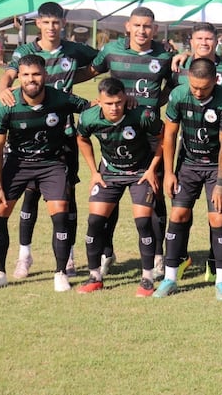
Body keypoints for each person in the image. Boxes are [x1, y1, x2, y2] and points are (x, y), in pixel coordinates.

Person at [0, 1, 99, 280]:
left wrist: (78, 77)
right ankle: (24, 255)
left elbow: (101, 63)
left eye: (56, 22)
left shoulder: (73, 50)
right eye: (46, 22)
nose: (52, 27)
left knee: (67, 197)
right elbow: (8, 74)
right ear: (39, 24)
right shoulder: (26, 52)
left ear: (62, 24)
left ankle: (67, 255)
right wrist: (3, 89)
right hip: (29, 134)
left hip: (64, 135)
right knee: (28, 196)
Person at [0, 54, 90, 292]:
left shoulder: (60, 99)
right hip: (17, 162)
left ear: (45, 75)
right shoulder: (6, 104)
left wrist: (122, 103)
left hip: (51, 163)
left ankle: (60, 273)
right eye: (26, 75)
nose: (32, 80)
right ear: (19, 77)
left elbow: (92, 108)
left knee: (60, 212)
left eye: (36, 74)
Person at [87, 6, 174, 278]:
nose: (142, 30)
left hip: (150, 139)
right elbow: (89, 71)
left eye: (147, 26)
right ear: (128, 26)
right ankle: (105, 252)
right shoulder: (112, 50)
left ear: (155, 29)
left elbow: (172, 87)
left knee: (155, 200)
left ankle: (158, 256)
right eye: (137, 25)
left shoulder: (164, 55)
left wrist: (150, 105)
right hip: (114, 140)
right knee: (108, 201)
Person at [154, 58, 222, 300]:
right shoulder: (179, 95)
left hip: (216, 166)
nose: (199, 92)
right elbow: (169, 135)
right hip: (188, 165)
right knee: (178, 215)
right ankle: (170, 278)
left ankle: (221, 280)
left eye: (204, 87)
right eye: (194, 87)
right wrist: (169, 172)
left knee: (218, 216)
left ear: (215, 80)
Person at [76, 77, 163, 296]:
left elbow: (163, 137)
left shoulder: (142, 115)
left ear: (125, 99)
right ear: (99, 101)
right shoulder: (89, 117)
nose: (114, 108)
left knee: (143, 221)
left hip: (140, 172)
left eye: (118, 102)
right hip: (109, 172)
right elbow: (82, 139)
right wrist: (94, 172)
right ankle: (94, 276)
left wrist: (152, 168)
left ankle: (147, 278)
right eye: (109, 103)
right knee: (95, 221)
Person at [171, 22, 222, 282]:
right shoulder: (178, 66)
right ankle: (177, 259)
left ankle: (216, 264)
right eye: (199, 38)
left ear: (217, 40)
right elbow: (170, 110)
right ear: (191, 40)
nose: (204, 42)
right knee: (180, 211)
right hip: (187, 156)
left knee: (218, 214)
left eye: (209, 38)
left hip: (218, 155)